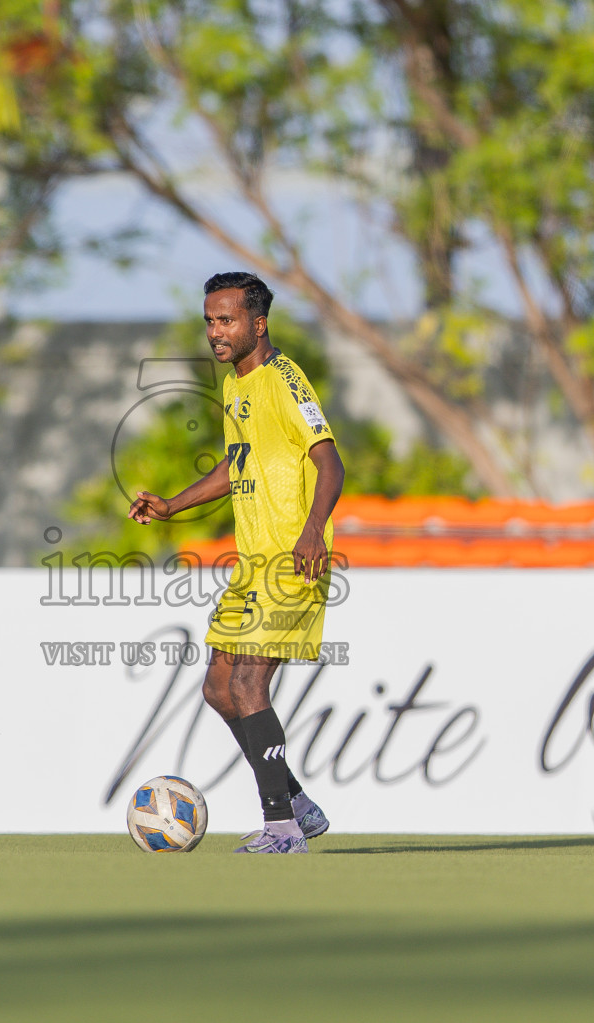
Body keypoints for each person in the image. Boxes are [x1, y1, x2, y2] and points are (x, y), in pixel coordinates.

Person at [128, 271, 345, 853]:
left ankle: (282, 828)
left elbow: (330, 464)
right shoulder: (234, 386)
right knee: (220, 689)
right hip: (253, 564)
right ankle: (296, 800)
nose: (215, 332)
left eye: (226, 321)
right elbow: (236, 465)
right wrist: (173, 504)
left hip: (292, 560)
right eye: (210, 321)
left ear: (258, 323)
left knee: (250, 682)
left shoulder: (285, 378)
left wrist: (312, 533)